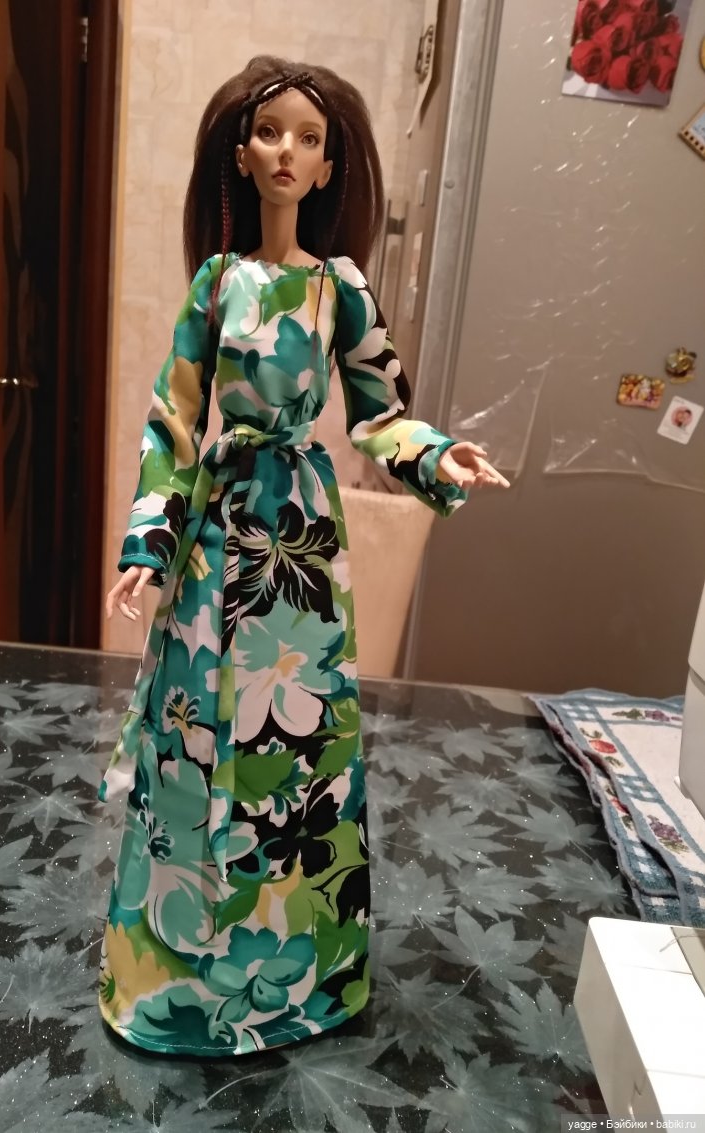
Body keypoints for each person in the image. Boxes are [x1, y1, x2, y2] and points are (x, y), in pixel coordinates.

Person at [97, 55, 509, 1057]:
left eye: (309, 138)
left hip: (301, 547)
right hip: (218, 535)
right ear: (240, 155)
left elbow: (380, 413)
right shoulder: (217, 285)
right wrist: (149, 540)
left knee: (299, 743)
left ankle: (300, 974)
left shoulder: (340, 289)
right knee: (201, 731)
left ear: (328, 168)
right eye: (270, 132)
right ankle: (181, 977)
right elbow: (173, 423)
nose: (288, 151)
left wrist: (435, 453)